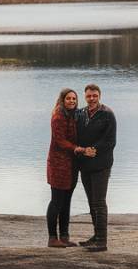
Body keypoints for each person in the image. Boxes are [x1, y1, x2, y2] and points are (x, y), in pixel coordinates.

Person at [75, 83, 116, 252]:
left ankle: (102, 241)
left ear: (99, 96)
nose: (92, 99)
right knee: (92, 202)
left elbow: (110, 141)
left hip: (101, 164)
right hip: (85, 164)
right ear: (85, 96)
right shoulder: (81, 113)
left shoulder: (107, 114)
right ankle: (96, 236)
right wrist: (82, 151)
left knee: (99, 202)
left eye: (95, 96)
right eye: (89, 96)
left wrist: (94, 150)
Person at [46, 88, 84, 247]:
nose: (72, 101)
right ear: (62, 99)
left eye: (74, 99)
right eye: (68, 98)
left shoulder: (74, 115)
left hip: (71, 164)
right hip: (58, 164)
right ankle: (52, 238)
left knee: (67, 200)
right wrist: (76, 148)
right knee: (56, 201)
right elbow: (60, 140)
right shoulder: (58, 116)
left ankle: (65, 236)